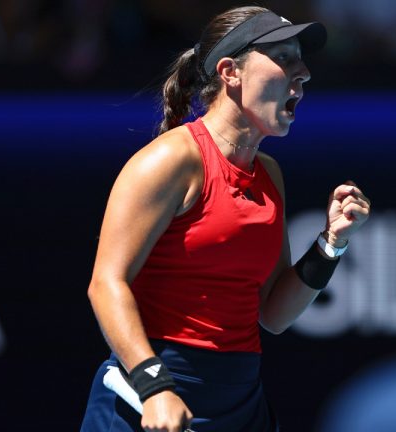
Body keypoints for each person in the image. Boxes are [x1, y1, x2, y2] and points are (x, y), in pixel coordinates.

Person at [80, 6, 371, 432]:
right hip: (150, 402)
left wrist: (331, 243)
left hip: (240, 405)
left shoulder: (269, 174)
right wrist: (154, 386)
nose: (304, 72)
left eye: (301, 60)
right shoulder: (170, 161)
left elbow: (272, 314)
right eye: (284, 57)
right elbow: (106, 284)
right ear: (230, 71)